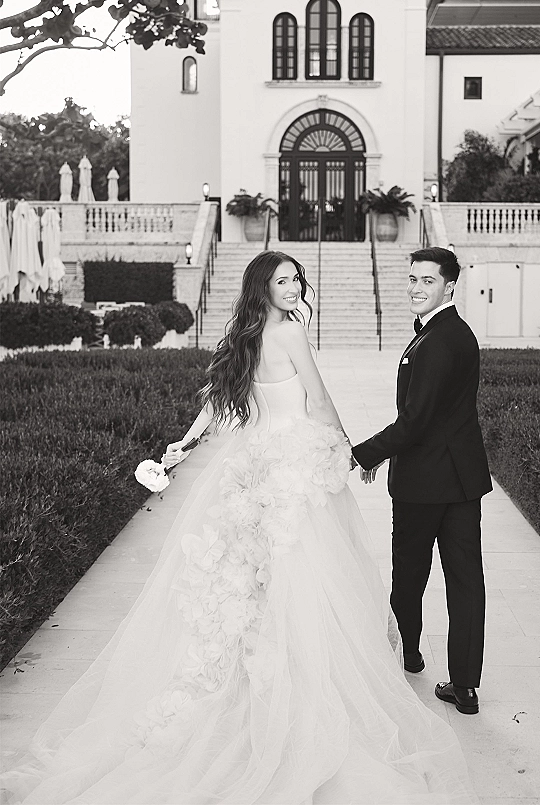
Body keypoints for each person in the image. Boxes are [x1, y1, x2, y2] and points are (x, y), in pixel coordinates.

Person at [2, 251, 477, 804]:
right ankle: (297, 679)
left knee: (250, 574)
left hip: (254, 464)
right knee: (306, 572)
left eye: (296, 278)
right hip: (294, 465)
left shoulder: (243, 338)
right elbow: (319, 400)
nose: (293, 287)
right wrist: (348, 452)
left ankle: (245, 670)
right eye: (282, 280)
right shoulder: (291, 334)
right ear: (263, 288)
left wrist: (181, 446)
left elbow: (214, 405)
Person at [352, 246, 492, 716]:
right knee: (466, 579)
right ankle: (466, 686)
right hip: (462, 478)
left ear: (449, 286)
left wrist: (362, 454)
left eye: (426, 281)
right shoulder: (454, 333)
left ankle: (409, 654)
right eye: (412, 279)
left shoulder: (436, 341)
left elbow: (413, 422)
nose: (415, 287)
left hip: (423, 480)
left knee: (410, 573)